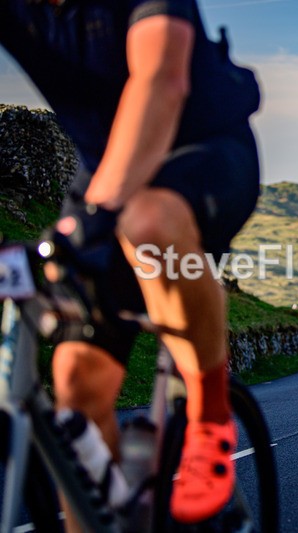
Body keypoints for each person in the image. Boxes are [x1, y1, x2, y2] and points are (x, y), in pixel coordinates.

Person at [1, 0, 261, 526]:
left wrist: (93, 219)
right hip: (105, 171)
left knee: (148, 224)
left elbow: (161, 80)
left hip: (203, 151)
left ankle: (208, 415)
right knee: (76, 386)